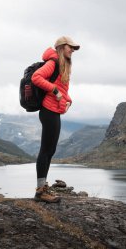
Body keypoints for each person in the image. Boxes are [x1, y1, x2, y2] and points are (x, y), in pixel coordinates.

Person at [31, 36, 80, 203]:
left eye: (74, 48)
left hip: (54, 111)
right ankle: (40, 191)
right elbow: (36, 78)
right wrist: (56, 92)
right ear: (61, 47)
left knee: (50, 151)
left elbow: (62, 87)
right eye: (70, 47)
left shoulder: (63, 65)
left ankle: (42, 187)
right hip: (48, 111)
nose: (72, 50)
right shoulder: (53, 62)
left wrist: (68, 100)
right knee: (46, 150)